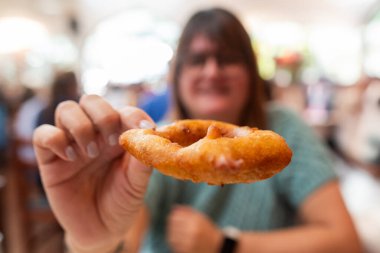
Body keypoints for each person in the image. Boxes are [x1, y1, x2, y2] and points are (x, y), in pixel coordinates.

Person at [33, 7, 363, 253]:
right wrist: (96, 243)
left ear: (250, 70)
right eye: (197, 59)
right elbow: (129, 237)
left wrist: (228, 244)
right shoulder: (154, 144)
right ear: (178, 75)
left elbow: (345, 241)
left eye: (227, 58)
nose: (211, 71)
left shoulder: (284, 126)